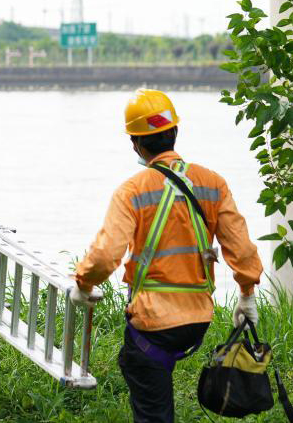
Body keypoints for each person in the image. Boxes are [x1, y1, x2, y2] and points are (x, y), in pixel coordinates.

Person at [71, 88, 264, 423]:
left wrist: (83, 285)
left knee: (146, 385)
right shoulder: (212, 183)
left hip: (153, 323)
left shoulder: (132, 191)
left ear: (135, 143)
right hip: (197, 320)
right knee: (141, 369)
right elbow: (242, 248)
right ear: (175, 132)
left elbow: (105, 256)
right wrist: (247, 296)